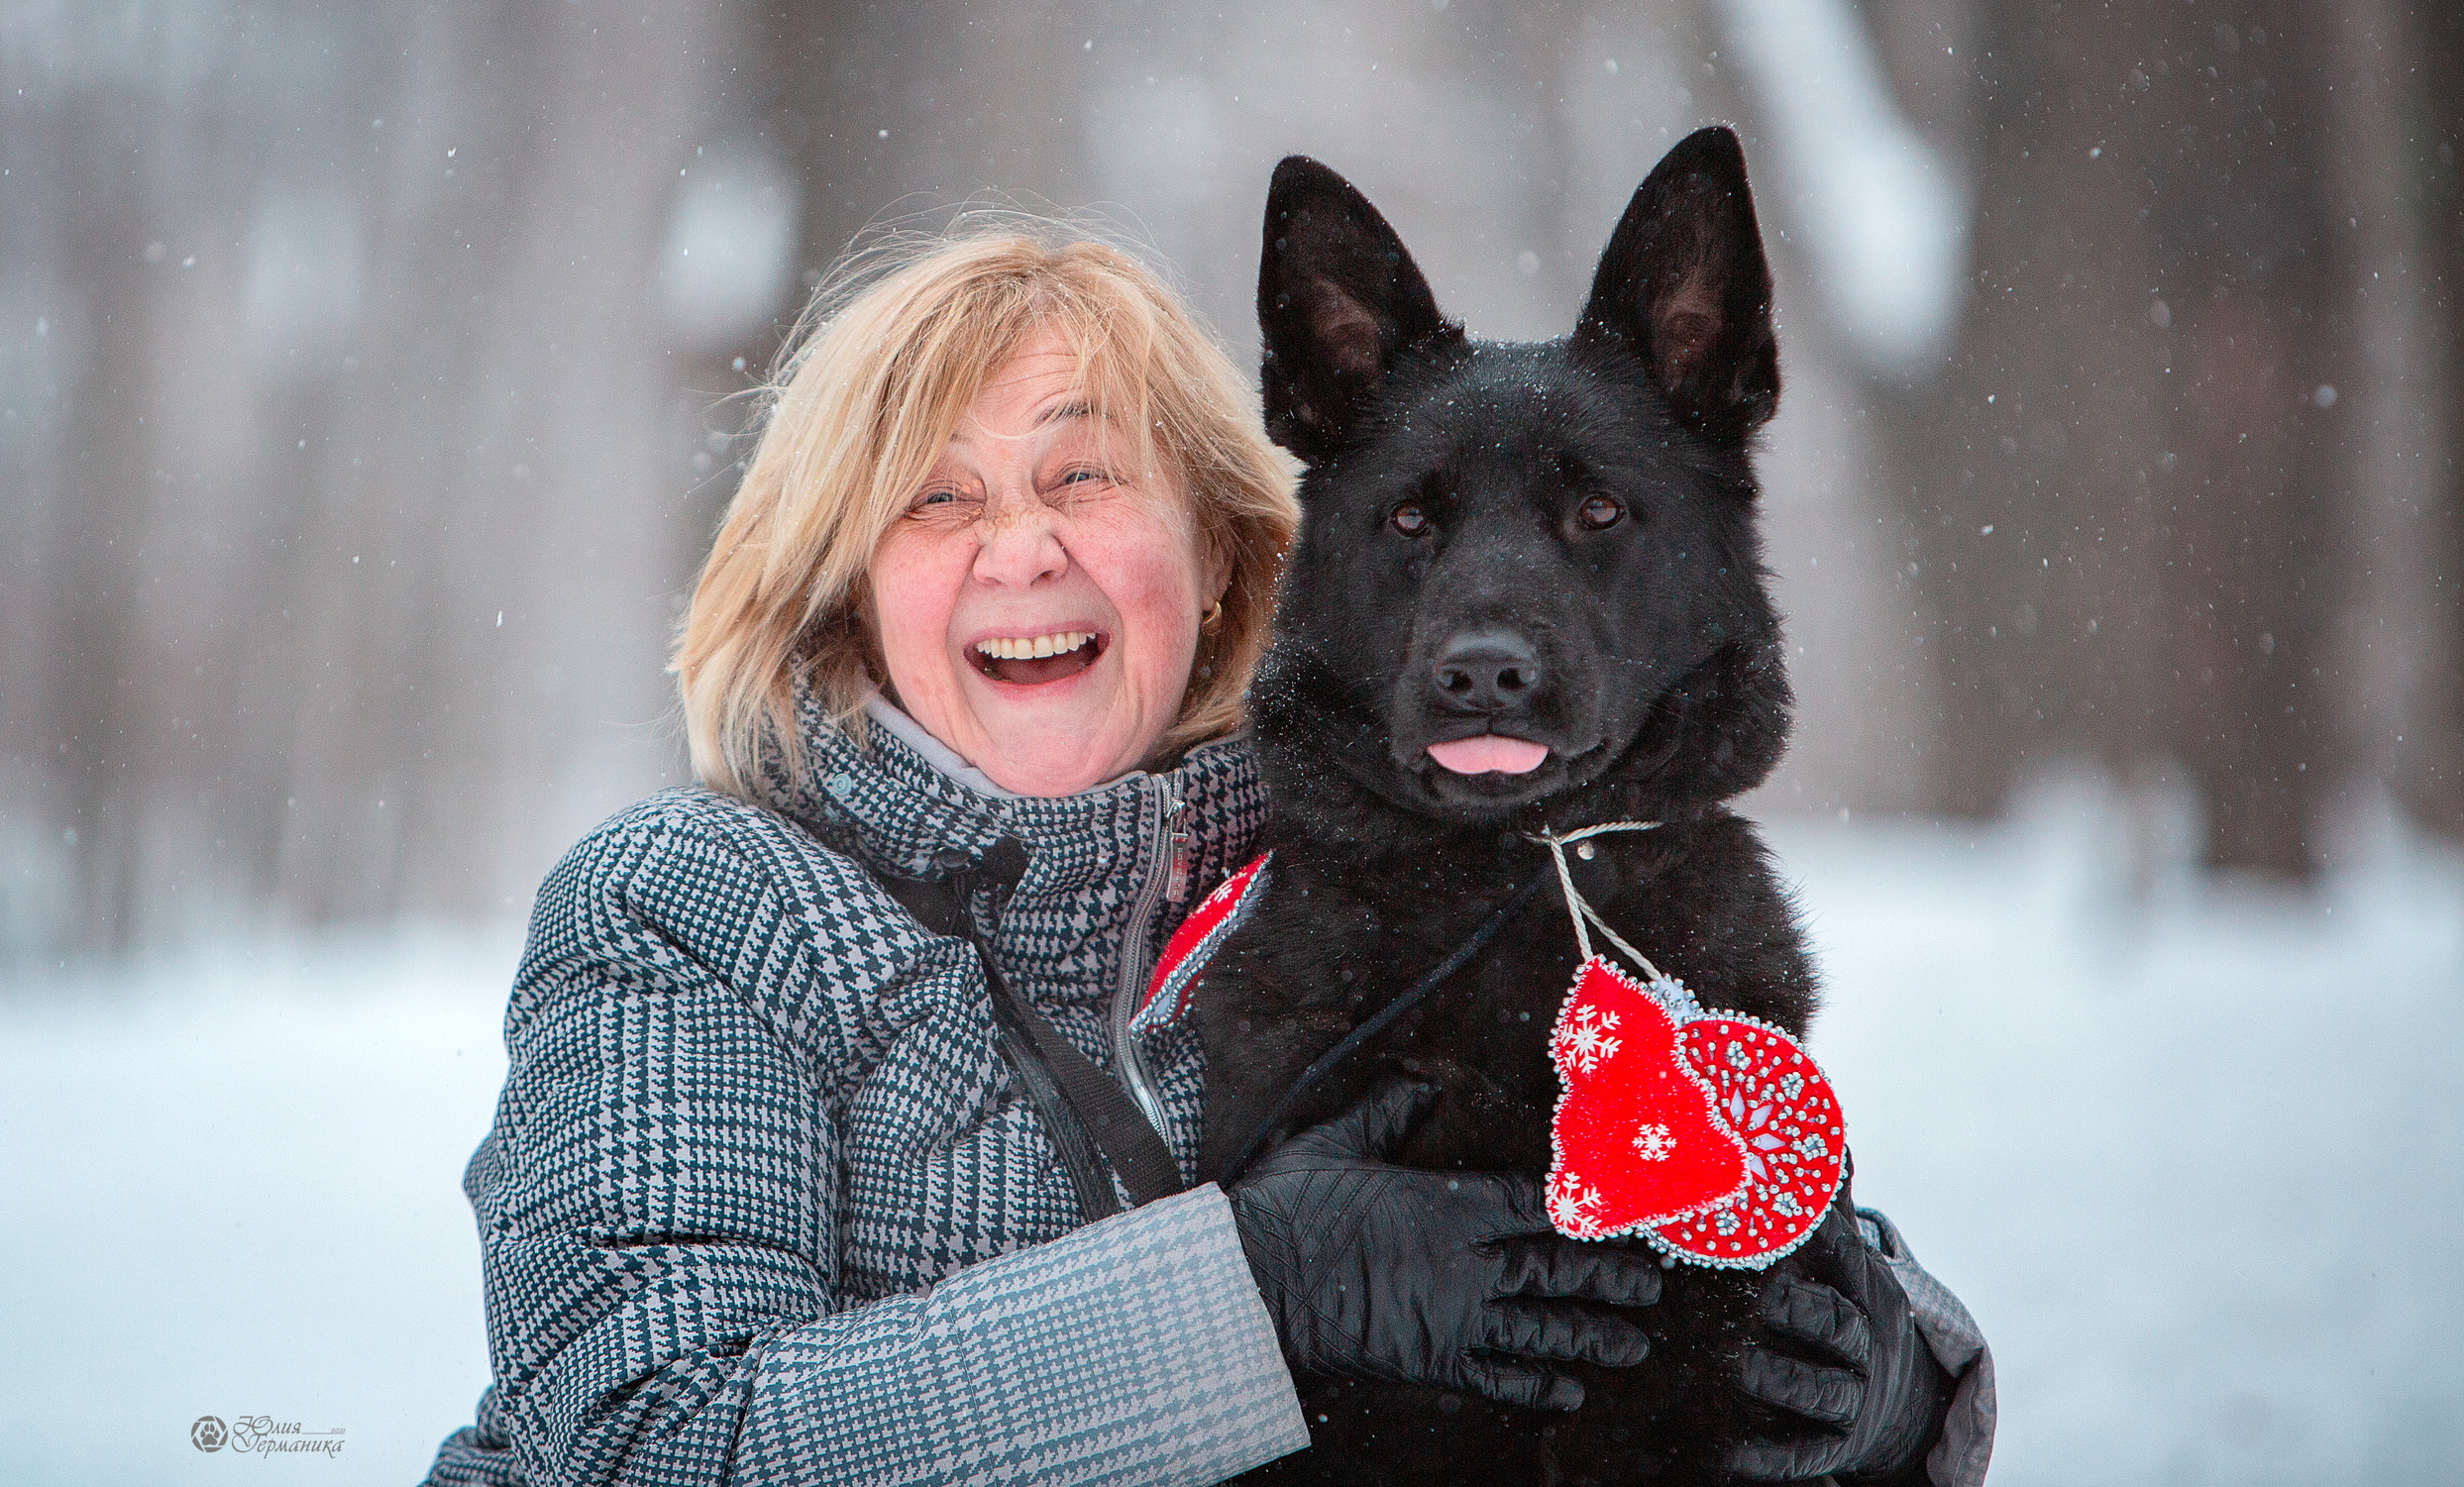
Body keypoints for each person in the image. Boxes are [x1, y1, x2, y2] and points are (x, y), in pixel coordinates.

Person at [421, 225, 1993, 1487]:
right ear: (843, 580)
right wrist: (1252, 1286)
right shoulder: (691, 908)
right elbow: (646, 1443)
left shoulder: (1384, 846)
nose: (1018, 546)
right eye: (935, 497)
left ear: (1221, 545)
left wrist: (1887, 1389)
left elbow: (1699, 1241)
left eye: (1082, 476)